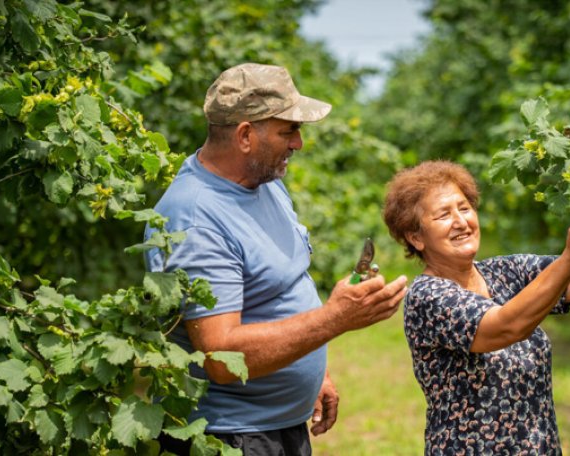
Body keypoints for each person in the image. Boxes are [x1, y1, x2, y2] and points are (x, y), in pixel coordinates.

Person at [145, 62, 407, 456]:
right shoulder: (196, 218)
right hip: (230, 437)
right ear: (246, 135)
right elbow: (221, 357)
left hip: (277, 426)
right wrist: (335, 319)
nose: (298, 143)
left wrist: (314, 373)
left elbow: (278, 291)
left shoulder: (264, 184)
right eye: (289, 130)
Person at [382, 160, 570, 455]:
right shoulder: (427, 297)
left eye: (464, 208)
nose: (460, 221)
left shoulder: (505, 272)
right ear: (416, 237)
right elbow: (506, 326)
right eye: (444, 215)